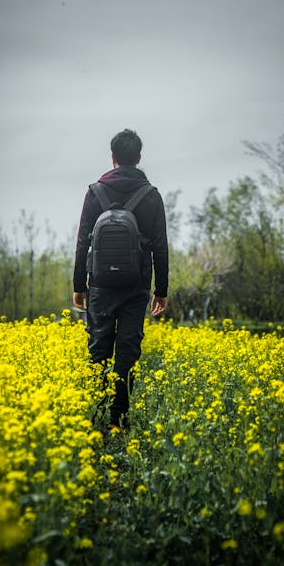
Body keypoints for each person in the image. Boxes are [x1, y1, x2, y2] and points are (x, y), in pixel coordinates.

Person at [73, 129, 169, 430]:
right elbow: (160, 246)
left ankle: (97, 416)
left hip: (100, 283)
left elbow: (82, 241)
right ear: (139, 158)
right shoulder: (151, 195)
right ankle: (118, 419)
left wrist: (79, 285)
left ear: (112, 158)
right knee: (128, 349)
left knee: (98, 346)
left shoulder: (95, 191)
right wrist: (161, 290)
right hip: (136, 285)